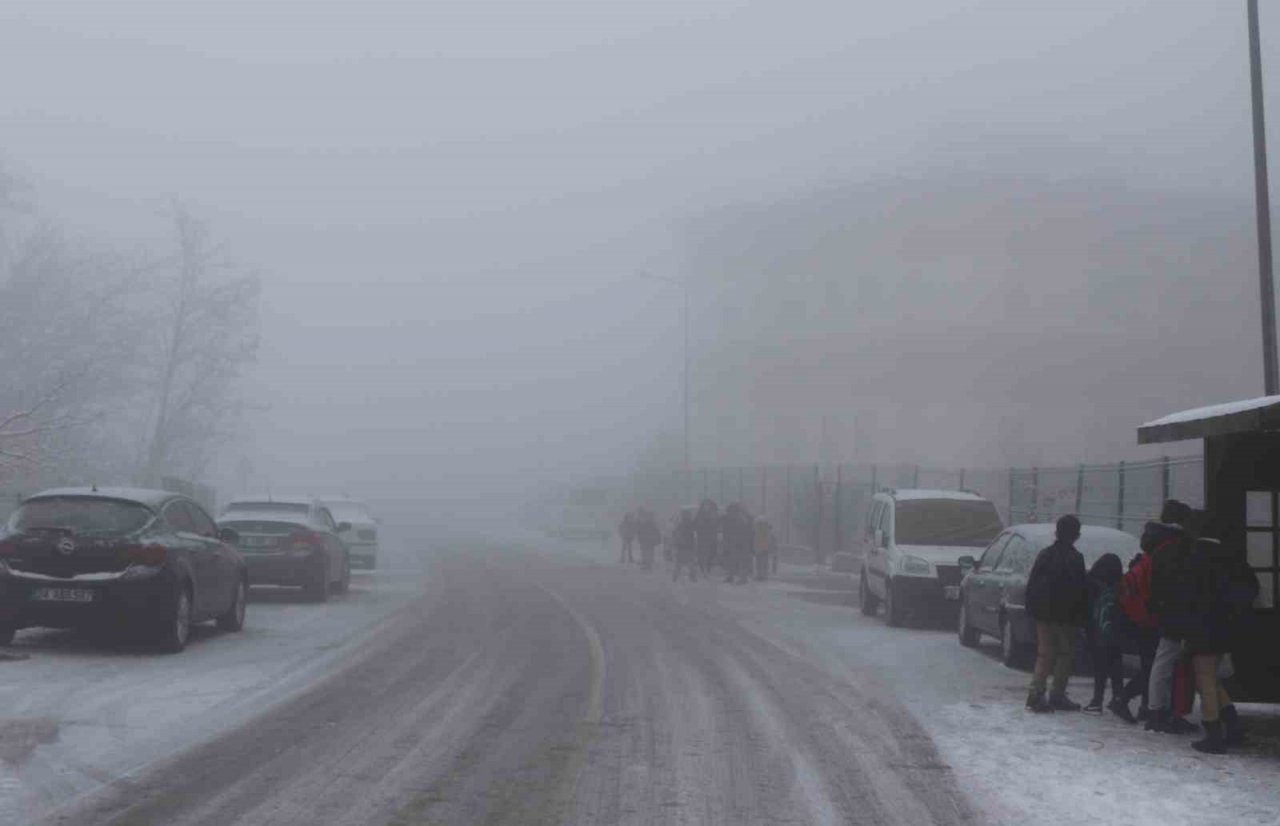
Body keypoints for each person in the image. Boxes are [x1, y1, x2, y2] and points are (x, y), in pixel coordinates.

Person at [1183, 519, 1258, 754]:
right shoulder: (1232, 558)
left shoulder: (1195, 558)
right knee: (1213, 679)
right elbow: (1251, 587)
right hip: (1226, 627)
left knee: (1204, 680)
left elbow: (1187, 598)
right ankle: (1233, 726)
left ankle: (1213, 733)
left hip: (1201, 627)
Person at [1143, 500, 1198, 734]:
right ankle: (1168, 712)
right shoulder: (1181, 547)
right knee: (1174, 664)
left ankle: (1157, 710)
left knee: (1163, 662)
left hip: (1164, 610)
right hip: (1180, 611)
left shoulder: (1159, 545)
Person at [1024, 514, 1088, 713]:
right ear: (1076, 535)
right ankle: (1057, 694)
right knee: (1065, 654)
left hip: (1043, 613)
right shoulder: (1075, 558)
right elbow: (1079, 590)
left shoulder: (1045, 554)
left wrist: (1032, 609)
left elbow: (1032, 583)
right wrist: (1081, 616)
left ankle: (1036, 694)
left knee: (1045, 654)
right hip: (1065, 616)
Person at [1083, 553, 1132, 720]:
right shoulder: (1119, 586)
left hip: (1097, 633)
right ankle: (1118, 698)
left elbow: (1086, 609)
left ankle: (1097, 701)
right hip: (1115, 634)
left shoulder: (1091, 584)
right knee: (1116, 667)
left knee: (1100, 668)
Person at [1117, 544, 1160, 722]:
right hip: (1153, 623)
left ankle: (1144, 706)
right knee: (1153, 669)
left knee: (1149, 666)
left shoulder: (1140, 564)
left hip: (1141, 623)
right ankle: (1123, 699)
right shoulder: (1153, 565)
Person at [672, 508, 699, 582]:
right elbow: (695, 536)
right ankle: (692, 577)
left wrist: (676, 544)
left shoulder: (680, 524)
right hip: (688, 546)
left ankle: (675, 577)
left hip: (682, 547)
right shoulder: (692, 524)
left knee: (679, 563)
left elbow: (675, 535)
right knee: (691, 563)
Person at [694, 499, 720, 575]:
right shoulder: (699, 514)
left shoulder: (715, 514)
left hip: (712, 537)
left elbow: (718, 524)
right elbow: (696, 524)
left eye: (708, 505)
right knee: (702, 554)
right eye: (705, 505)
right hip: (702, 537)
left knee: (711, 553)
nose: (707, 506)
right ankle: (703, 568)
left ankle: (708, 568)